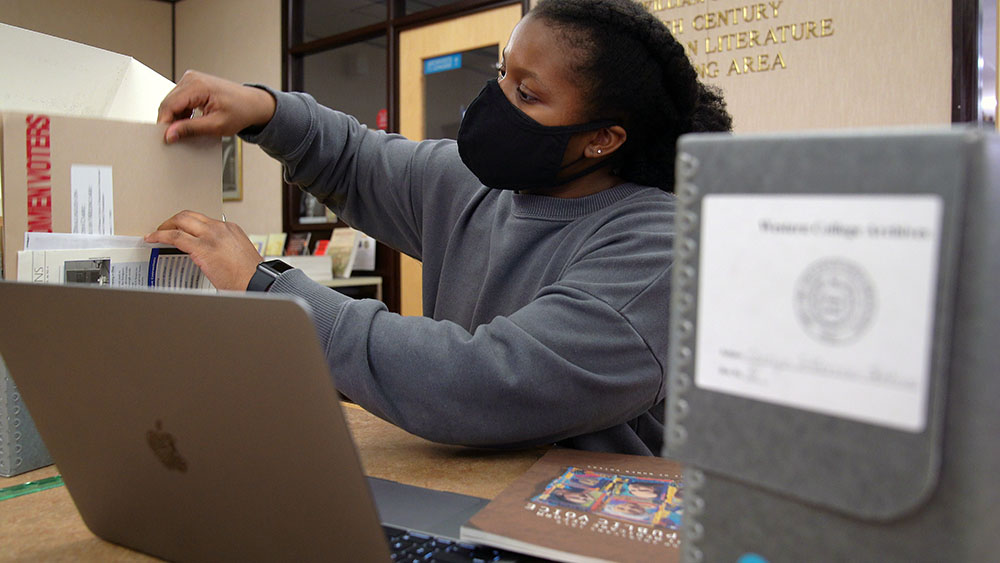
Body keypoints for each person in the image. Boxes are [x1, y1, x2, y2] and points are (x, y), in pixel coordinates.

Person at [146, 0, 732, 455]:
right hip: (459, 497)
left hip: (579, 531)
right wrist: (264, 111)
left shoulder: (658, 250)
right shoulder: (475, 184)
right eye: (503, 72)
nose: (494, 100)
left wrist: (271, 287)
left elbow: (484, 384)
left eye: (526, 94)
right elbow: (357, 160)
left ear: (602, 138)